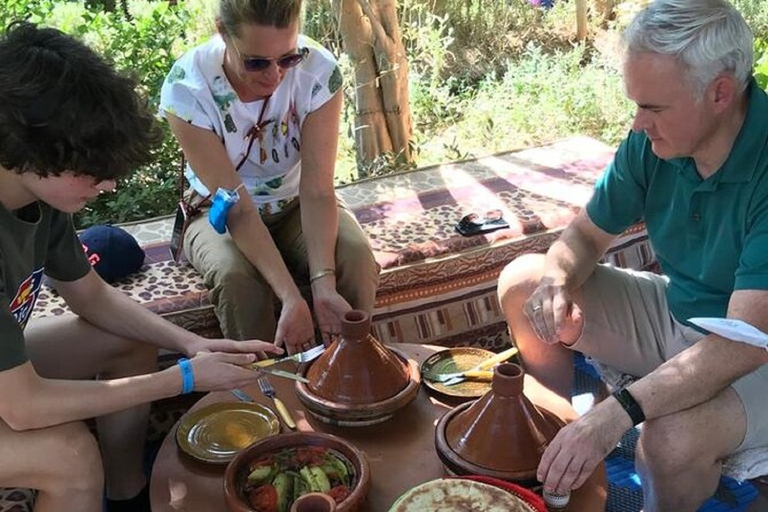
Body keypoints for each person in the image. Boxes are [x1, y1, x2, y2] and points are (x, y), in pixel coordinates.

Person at [496, 0, 768, 509]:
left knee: (668, 440)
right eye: (636, 104)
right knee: (524, 284)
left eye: (654, 107)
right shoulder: (654, 141)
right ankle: (561, 441)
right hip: (683, 318)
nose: (639, 123)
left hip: (758, 354)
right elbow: (583, 238)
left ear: (721, 93)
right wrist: (556, 282)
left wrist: (618, 411)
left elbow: (744, 343)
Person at [0, 21, 281, 512]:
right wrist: (184, 379)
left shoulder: (37, 196)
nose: (108, 186)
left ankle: (128, 497)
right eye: (94, 171)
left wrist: (190, 344)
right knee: (67, 454)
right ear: (29, 148)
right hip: (12, 396)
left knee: (131, 337)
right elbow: (22, 408)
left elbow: (90, 294)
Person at [159, 0, 379, 354]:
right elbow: (238, 209)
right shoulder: (188, 88)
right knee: (237, 281)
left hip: (296, 204)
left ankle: (351, 367)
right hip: (219, 213)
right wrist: (291, 298)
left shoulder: (318, 70)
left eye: (287, 59)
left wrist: (323, 284)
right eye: (256, 62)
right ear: (222, 33)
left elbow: (318, 191)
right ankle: (265, 391)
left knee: (353, 256)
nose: (275, 75)